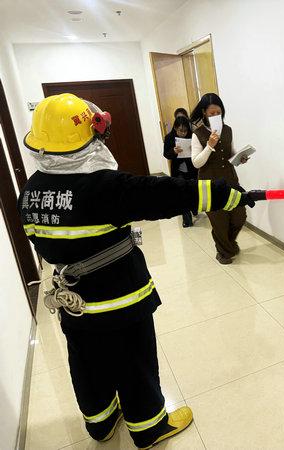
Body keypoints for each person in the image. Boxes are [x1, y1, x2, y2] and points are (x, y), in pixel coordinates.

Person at [19, 93, 253, 448]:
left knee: (87, 365)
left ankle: (100, 423)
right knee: (133, 363)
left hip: (74, 304)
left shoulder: (30, 192)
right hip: (120, 300)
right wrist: (226, 194)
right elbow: (166, 194)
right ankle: (148, 428)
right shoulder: (102, 187)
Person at [190, 93, 249, 265]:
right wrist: (209, 146)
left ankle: (228, 245)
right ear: (204, 113)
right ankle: (223, 252)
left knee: (239, 215)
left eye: (219, 112)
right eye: (212, 113)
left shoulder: (228, 130)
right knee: (219, 220)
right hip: (209, 184)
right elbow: (196, 162)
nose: (216, 116)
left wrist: (240, 158)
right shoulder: (198, 134)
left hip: (230, 180)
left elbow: (230, 155)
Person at [163, 115, 198, 227]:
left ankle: (194, 209)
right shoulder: (169, 137)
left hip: (192, 169)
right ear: (175, 128)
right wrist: (173, 151)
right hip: (178, 170)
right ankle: (187, 220)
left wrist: (194, 149)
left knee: (193, 190)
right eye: (180, 130)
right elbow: (166, 154)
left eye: (185, 130)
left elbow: (198, 151)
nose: (183, 133)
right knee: (182, 193)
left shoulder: (192, 136)